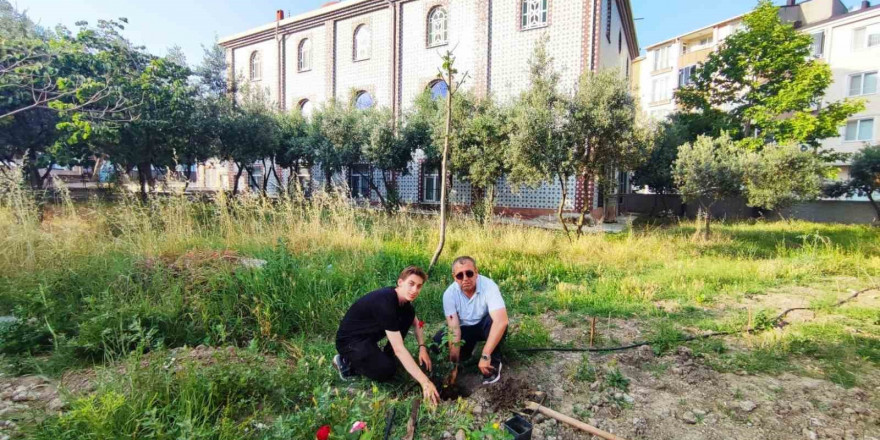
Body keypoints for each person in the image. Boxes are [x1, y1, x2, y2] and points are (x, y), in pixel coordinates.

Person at [333, 266, 440, 405]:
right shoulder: (386, 301)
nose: (415, 290)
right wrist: (425, 382)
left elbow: (418, 323)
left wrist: (422, 347)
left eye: (419, 286)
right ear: (400, 282)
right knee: (386, 371)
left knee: (408, 316)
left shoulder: (405, 304)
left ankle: (387, 357)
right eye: (411, 284)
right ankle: (346, 362)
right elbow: (399, 348)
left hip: (367, 340)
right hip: (350, 342)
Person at [433, 256, 509, 385]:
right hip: (464, 329)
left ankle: (493, 362)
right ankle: (467, 353)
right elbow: (454, 329)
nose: (465, 278)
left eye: (469, 273)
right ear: (454, 277)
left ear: (476, 272)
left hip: (484, 326)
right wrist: (453, 365)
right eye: (459, 275)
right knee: (437, 341)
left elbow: (502, 321)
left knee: (495, 321)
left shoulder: (489, 286)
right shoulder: (449, 294)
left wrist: (485, 355)